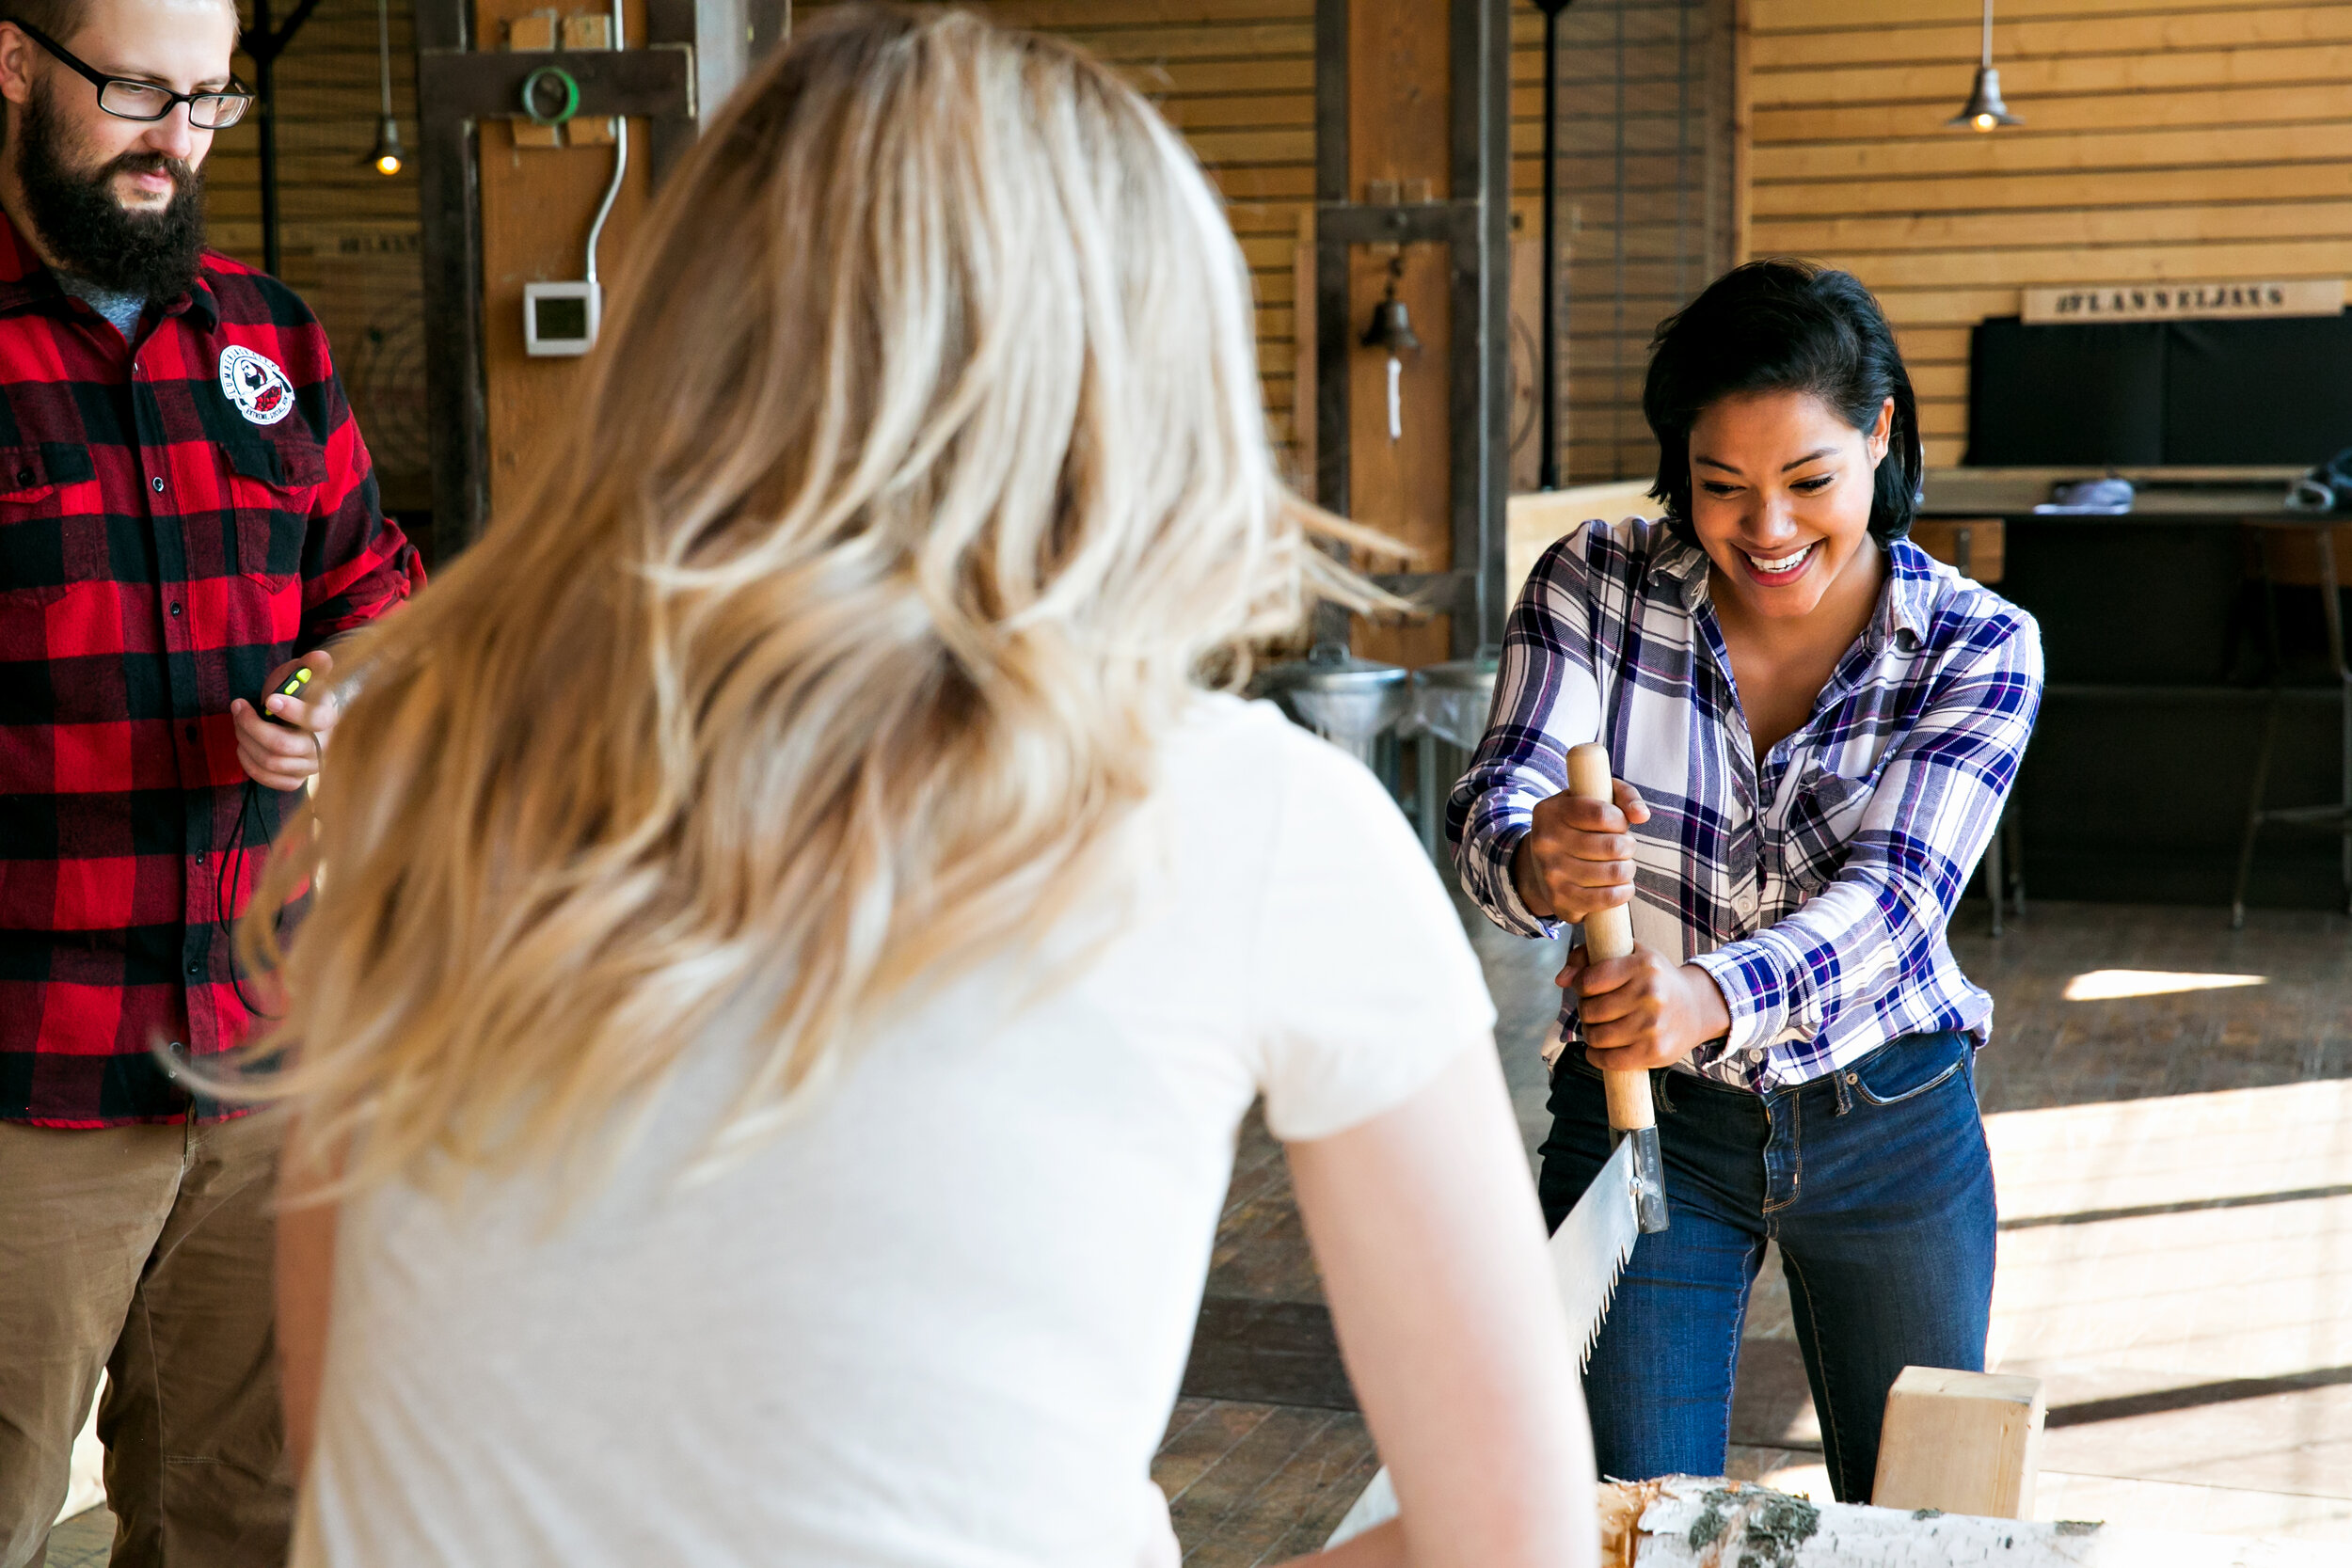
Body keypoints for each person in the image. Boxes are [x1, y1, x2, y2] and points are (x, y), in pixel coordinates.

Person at [249, 10, 1597, 1567]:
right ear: (1139, 384)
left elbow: (334, 1430)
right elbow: (1518, 1540)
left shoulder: (419, 754)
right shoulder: (1249, 817)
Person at [1449, 260, 2043, 1502]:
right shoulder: (1596, 585)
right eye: (1722, 489)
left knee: (1923, 1518)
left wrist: (1710, 995)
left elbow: (1895, 902)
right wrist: (1533, 856)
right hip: (1640, 1122)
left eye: (1809, 483)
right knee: (1631, 1515)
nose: (1766, 532)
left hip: (1892, 1119)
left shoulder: (1980, 644)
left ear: (1880, 437)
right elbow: (1495, 817)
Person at [0, 0, 422, 1558]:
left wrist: (328, 696)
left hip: (260, 1062)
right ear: (16, 60)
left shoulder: (275, 340)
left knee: (240, 1524)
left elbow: (373, 593)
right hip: (25, 1081)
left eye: (206, 100)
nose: (173, 140)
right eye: (132, 92)